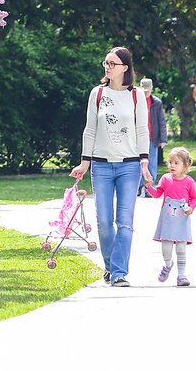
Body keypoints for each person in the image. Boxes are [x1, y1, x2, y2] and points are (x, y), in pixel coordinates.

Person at [70, 46, 151, 287]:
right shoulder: (97, 93)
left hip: (129, 166)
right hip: (102, 166)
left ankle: (118, 273)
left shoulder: (136, 96)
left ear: (124, 68)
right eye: (106, 62)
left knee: (125, 222)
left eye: (112, 63)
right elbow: (90, 129)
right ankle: (110, 266)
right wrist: (84, 163)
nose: (107, 66)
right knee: (105, 222)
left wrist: (144, 162)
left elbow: (142, 130)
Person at [145, 146, 196, 287]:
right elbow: (157, 194)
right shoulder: (165, 179)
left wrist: (191, 208)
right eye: (170, 162)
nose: (172, 166)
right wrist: (149, 186)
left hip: (182, 220)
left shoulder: (189, 182)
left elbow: (194, 198)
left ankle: (181, 275)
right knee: (166, 248)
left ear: (185, 166)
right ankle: (168, 265)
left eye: (176, 163)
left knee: (181, 248)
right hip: (168, 220)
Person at [138, 77, 168, 197]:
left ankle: (149, 188)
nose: (146, 93)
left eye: (147, 90)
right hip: (138, 138)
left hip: (152, 138)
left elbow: (162, 121)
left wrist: (163, 139)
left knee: (151, 165)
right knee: (138, 164)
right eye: (144, 90)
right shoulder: (136, 101)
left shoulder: (157, 102)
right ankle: (139, 186)